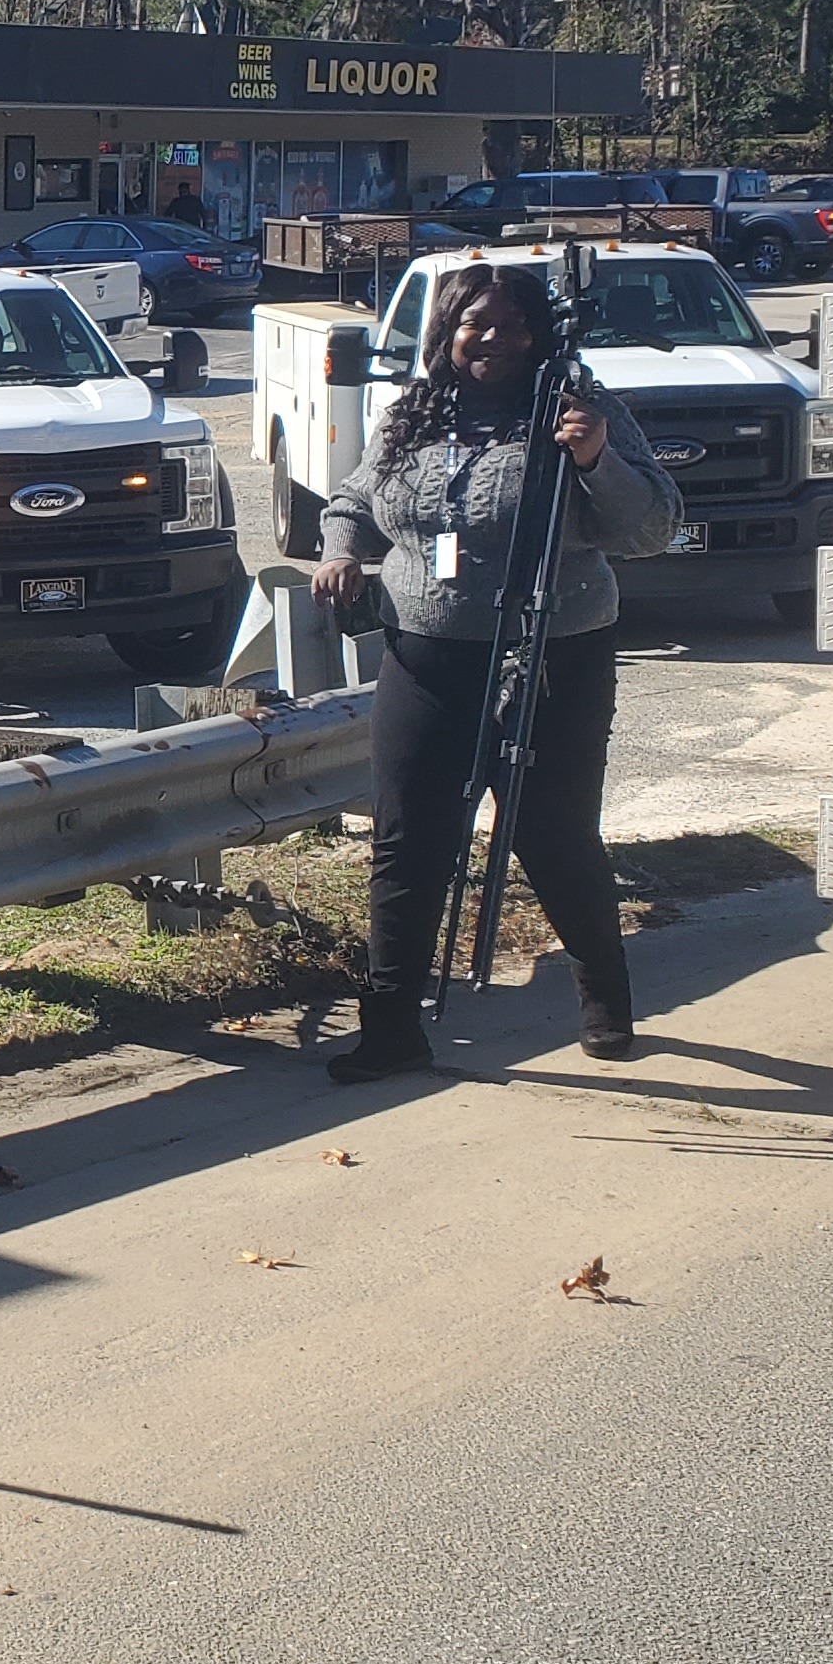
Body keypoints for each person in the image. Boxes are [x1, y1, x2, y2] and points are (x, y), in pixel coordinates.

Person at [309, 263, 682, 1082]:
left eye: (514, 325)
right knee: (409, 840)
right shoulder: (414, 415)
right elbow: (353, 502)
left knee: (552, 837)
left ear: (540, 334)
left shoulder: (579, 409)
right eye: (477, 323)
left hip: (553, 653)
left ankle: (604, 996)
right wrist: (341, 552)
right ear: (448, 333)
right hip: (426, 653)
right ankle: (392, 1026)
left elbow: (654, 527)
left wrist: (594, 459)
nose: (495, 340)